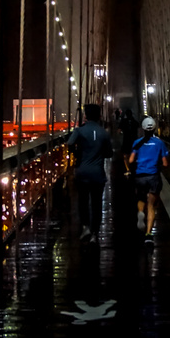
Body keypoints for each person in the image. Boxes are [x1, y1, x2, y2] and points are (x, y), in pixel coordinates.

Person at [66, 103, 112, 245]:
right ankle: (95, 233)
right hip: (98, 173)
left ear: (85, 116)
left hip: (82, 172)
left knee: (83, 202)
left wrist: (78, 154)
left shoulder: (79, 131)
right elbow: (109, 153)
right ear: (99, 116)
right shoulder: (103, 132)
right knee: (97, 204)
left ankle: (85, 227)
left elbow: (69, 144)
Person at [128, 115, 169, 246]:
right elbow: (165, 163)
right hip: (153, 177)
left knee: (141, 199)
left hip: (140, 176)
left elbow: (130, 160)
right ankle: (148, 234)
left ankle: (140, 212)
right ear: (154, 128)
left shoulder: (137, 143)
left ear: (143, 128)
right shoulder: (159, 143)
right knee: (152, 205)